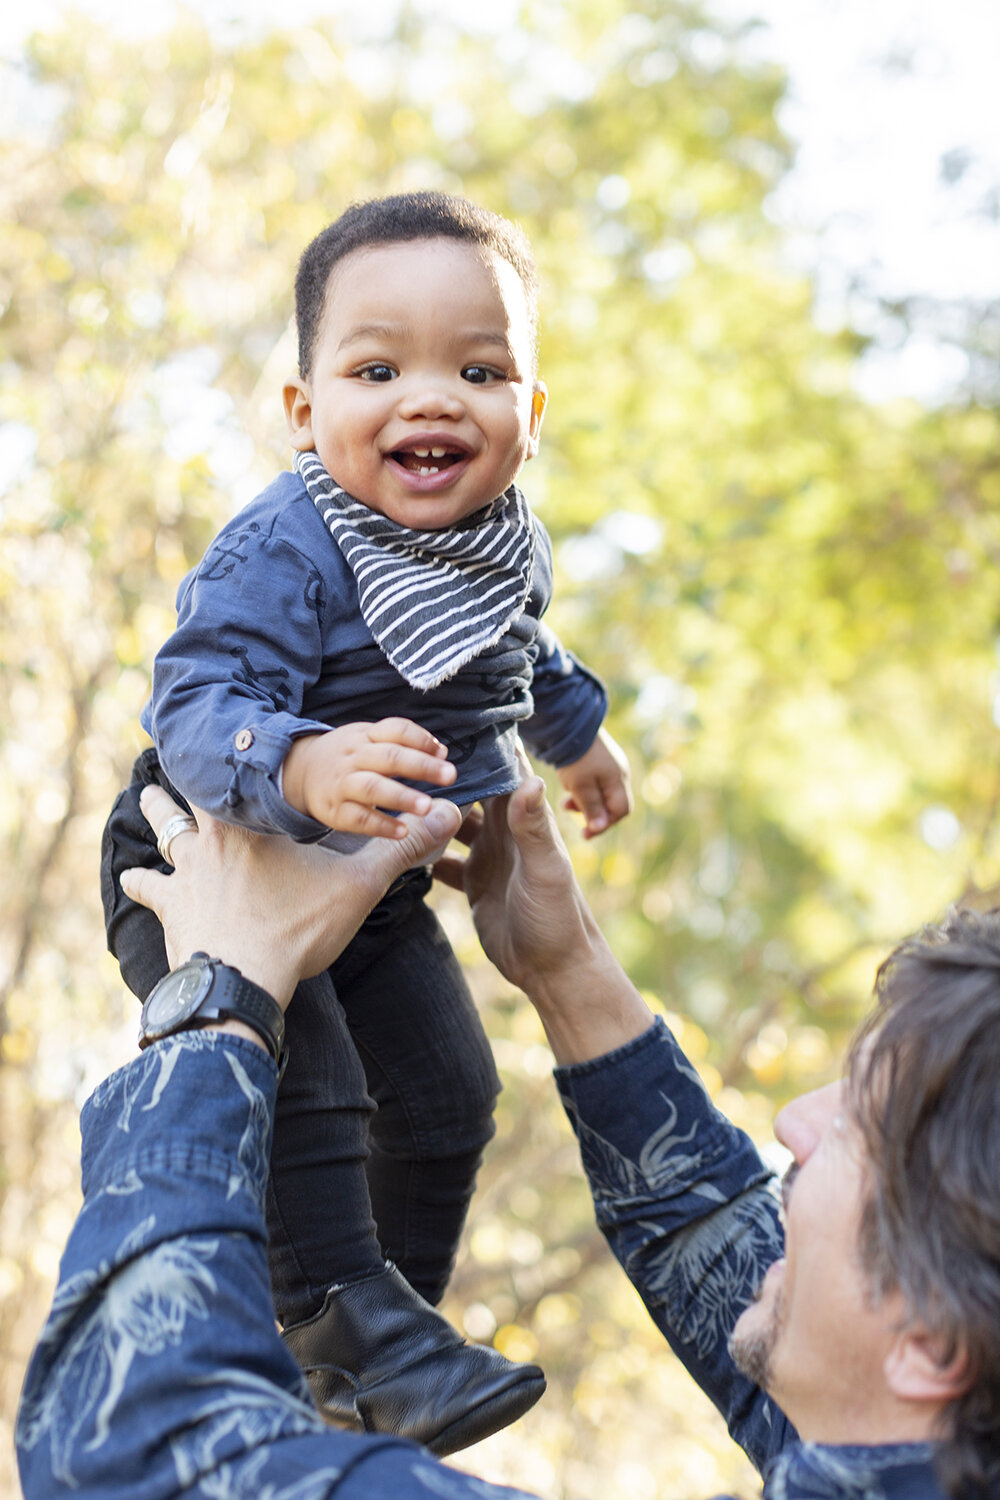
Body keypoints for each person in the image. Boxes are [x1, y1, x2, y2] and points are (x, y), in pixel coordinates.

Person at [25, 783, 997, 1498]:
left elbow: (128, 1448)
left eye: (859, 1130)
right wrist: (563, 965)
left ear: (925, 1344)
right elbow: (724, 1248)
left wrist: (219, 998)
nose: (794, 1125)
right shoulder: (920, 1448)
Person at [100, 190, 631, 1452]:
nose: (433, 396)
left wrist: (580, 740)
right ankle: (344, 1314)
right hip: (213, 856)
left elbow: (524, 655)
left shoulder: (500, 548)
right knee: (316, 1077)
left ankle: (384, 1348)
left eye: (480, 368)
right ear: (304, 409)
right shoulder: (286, 550)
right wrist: (296, 762)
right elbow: (195, 700)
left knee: (449, 1090)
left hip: (371, 887)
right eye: (378, 366)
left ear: (531, 414)